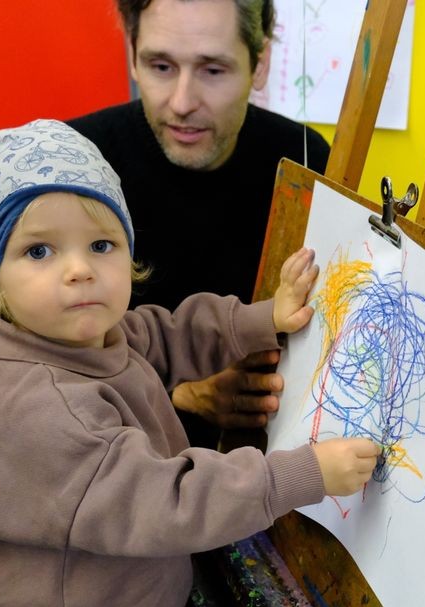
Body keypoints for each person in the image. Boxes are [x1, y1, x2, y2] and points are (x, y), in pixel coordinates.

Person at [0, 118, 379, 607]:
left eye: (101, 244)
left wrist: (263, 318)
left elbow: (163, 333)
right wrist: (299, 475)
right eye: (39, 252)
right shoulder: (48, 412)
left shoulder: (87, 337)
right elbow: (170, 501)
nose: (80, 270)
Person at [68, 0, 331, 448]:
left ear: (260, 64)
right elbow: (42, 359)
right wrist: (183, 394)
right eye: (161, 66)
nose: (183, 103)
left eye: (212, 70)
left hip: (269, 466)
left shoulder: (303, 158)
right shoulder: (77, 162)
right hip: (114, 463)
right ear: (132, 55)